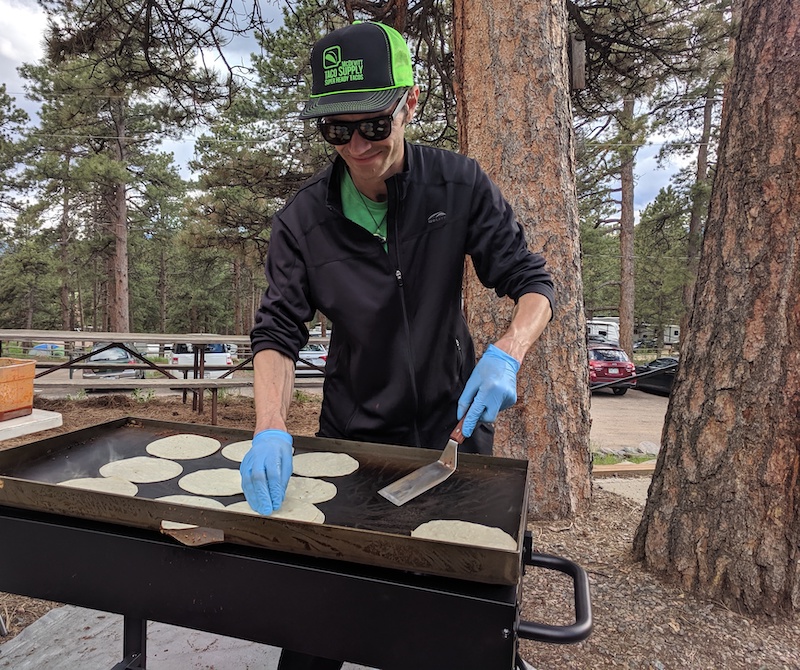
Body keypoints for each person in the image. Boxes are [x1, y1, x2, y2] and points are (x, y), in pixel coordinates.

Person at [241, 20, 554, 670]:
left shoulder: (458, 186)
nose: (356, 146)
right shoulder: (303, 221)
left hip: (454, 437)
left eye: (373, 126)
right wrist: (269, 426)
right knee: (319, 624)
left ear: (409, 105)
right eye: (336, 130)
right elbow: (276, 332)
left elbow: (533, 282)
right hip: (352, 442)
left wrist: (509, 350)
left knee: (455, 621)